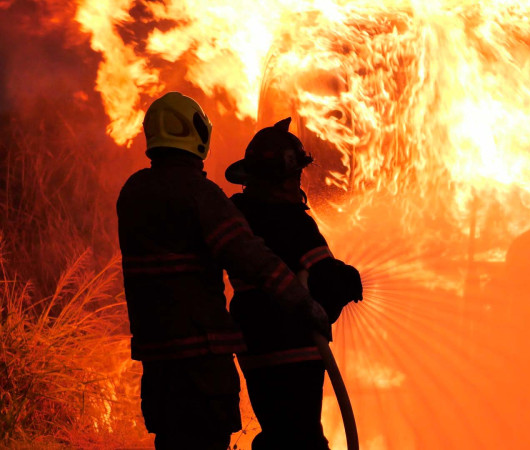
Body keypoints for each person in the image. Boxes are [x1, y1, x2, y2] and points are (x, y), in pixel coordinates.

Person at [116, 93, 330, 450]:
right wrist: (303, 303)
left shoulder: (133, 193)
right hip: (202, 358)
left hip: (157, 357)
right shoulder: (200, 195)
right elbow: (248, 256)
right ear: (195, 133)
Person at [225, 117, 363, 450]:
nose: (297, 183)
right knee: (302, 440)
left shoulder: (238, 217)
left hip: (254, 346)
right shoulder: (291, 223)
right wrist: (350, 279)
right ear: (282, 179)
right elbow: (326, 282)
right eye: (296, 175)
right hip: (294, 347)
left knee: (279, 434)